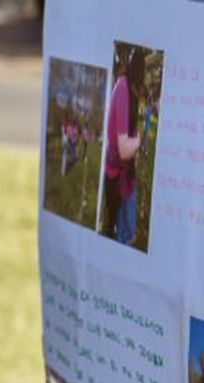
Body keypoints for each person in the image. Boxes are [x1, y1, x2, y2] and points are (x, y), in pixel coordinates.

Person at [103, 49, 144, 247]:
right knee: (124, 235)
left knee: (125, 231)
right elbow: (124, 150)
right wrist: (139, 140)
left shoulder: (125, 87)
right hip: (117, 174)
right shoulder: (123, 88)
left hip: (124, 173)